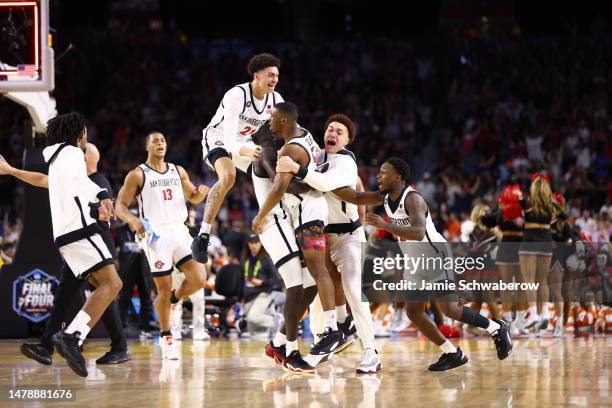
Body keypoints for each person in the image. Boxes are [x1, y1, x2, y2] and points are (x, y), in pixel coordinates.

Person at [330, 158, 513, 371]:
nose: (378, 176)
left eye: (384, 172)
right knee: (414, 312)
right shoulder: (386, 196)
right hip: (414, 258)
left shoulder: (413, 199)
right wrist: (320, 183)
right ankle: (452, 353)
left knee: (450, 310)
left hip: (434, 253)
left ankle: (496, 327)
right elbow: (356, 197)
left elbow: (417, 232)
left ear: (398, 176)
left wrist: (385, 226)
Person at [0, 144, 130, 366]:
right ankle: (47, 346)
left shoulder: (98, 181)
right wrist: (12, 170)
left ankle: (116, 346)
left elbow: (101, 210)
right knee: (65, 296)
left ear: (86, 159)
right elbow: (41, 180)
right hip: (78, 244)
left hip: (93, 242)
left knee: (106, 293)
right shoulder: (70, 179)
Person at [275, 113, 381, 373]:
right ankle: (328, 339)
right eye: (330, 129)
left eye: (339, 132)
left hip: (348, 236)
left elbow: (322, 181)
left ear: (348, 140)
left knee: (354, 291)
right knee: (317, 295)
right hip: (322, 234)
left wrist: (296, 168)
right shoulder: (317, 156)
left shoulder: (346, 161)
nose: (332, 134)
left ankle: (371, 352)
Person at [252, 102, 344, 365]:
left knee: (316, 273)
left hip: (306, 211)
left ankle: (329, 329)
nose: (268, 122)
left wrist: (258, 216)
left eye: (271, 119)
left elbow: (282, 187)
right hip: (305, 212)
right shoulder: (303, 134)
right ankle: (285, 344)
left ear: (282, 122)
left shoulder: (288, 149)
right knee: (310, 280)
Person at [115, 132, 208, 360]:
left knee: (199, 277)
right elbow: (120, 205)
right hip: (155, 233)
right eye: (155, 141)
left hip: (179, 228)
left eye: (163, 140)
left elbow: (193, 197)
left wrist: (200, 194)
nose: (160, 143)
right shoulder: (137, 175)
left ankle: (176, 301)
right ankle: (166, 337)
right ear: (147, 146)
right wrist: (133, 220)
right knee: (163, 289)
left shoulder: (178, 170)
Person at [192, 53, 284, 264]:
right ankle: (203, 234)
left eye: (277, 76)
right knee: (229, 176)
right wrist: (247, 151)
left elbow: (284, 131)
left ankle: (270, 220)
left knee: (271, 173)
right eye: (270, 75)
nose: (275, 80)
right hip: (218, 139)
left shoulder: (276, 100)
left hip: (245, 142)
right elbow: (229, 142)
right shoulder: (236, 95)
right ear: (257, 75)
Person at [249, 119, 318, 372]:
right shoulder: (267, 153)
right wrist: (317, 181)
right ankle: (291, 351)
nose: (276, 127)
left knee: (311, 284)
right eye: (270, 126)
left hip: (285, 222)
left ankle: (277, 342)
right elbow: (285, 186)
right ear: (265, 135)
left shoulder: (280, 151)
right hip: (272, 222)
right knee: (296, 284)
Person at [518, 172, 557, 334]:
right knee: (542, 281)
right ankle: (545, 314)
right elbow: (553, 221)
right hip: (546, 242)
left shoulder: (526, 202)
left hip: (530, 241)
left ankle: (534, 313)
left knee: (529, 281)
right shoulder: (551, 205)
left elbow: (518, 218)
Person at [240, 233, 284, 337]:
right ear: (248, 244)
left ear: (261, 244)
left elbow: (275, 280)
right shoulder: (245, 260)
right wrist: (239, 298)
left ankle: (276, 321)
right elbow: (241, 280)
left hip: (263, 293)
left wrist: (262, 282)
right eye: (251, 243)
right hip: (248, 296)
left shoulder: (266, 259)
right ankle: (267, 332)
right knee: (252, 329)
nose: (253, 245)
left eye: (256, 242)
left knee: (253, 317)